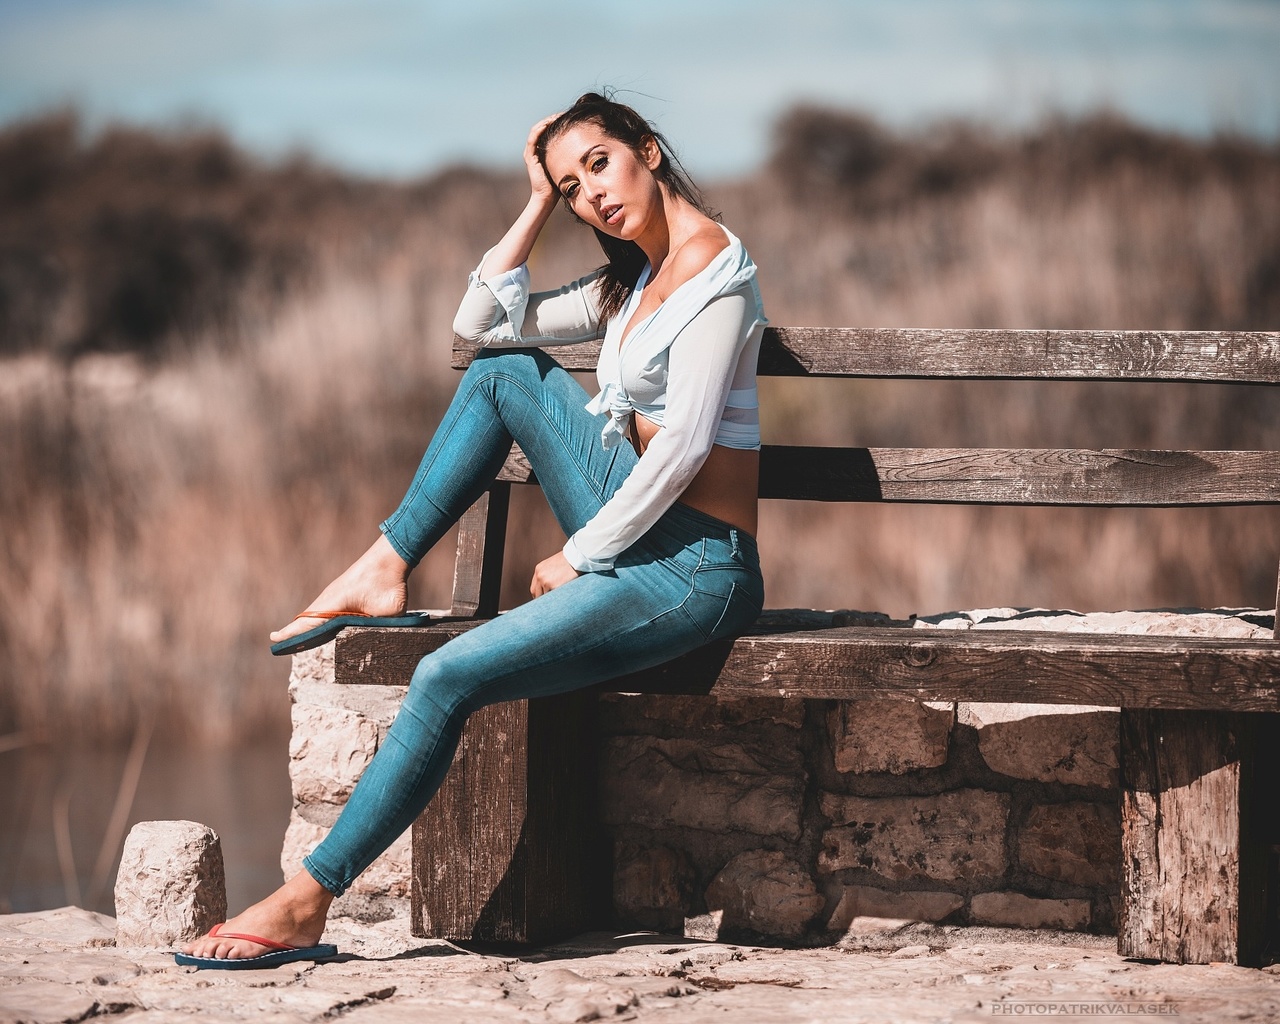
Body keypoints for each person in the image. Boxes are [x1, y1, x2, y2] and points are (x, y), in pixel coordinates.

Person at [178, 91, 767, 968]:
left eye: (599, 165)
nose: (590, 195)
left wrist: (580, 552)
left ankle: (307, 899)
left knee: (446, 672)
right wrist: (530, 203)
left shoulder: (717, 267)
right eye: (572, 186)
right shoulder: (635, 281)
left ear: (647, 149)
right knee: (506, 376)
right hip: (641, 536)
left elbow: (681, 446)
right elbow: (478, 330)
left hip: (696, 570)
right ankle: (385, 566)